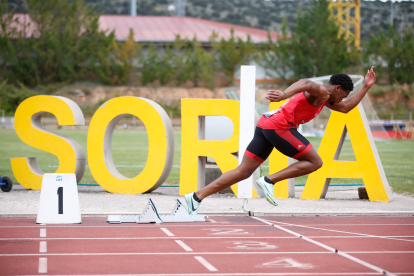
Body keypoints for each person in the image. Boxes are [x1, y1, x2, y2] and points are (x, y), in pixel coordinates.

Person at [185, 67, 376, 215]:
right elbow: (306, 82)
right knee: (315, 162)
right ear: (337, 88)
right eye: (343, 94)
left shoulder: (327, 99)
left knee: (243, 171)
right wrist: (284, 94)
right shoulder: (324, 93)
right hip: (278, 127)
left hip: (265, 124)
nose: (342, 99)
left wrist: (366, 86)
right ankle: (268, 180)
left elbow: (346, 108)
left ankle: (195, 197)